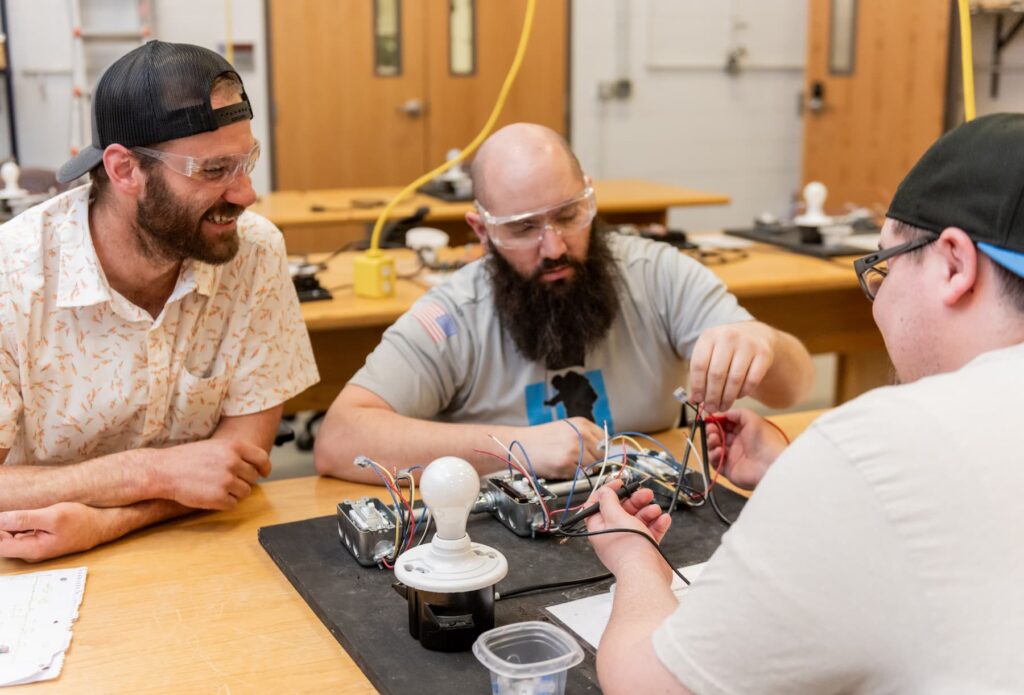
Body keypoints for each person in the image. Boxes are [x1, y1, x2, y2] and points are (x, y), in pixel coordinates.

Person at [587, 113, 1024, 693]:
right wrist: (804, 477)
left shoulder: (886, 443)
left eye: (884, 266)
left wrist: (637, 561)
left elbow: (651, 685)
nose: (878, 298)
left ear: (953, 264)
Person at [315, 123, 814, 483]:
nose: (553, 248)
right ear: (482, 232)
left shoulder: (658, 274)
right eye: (524, 228)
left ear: (589, 199)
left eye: (568, 216)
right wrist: (514, 450)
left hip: (651, 520)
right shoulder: (453, 314)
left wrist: (763, 342)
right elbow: (340, 440)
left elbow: (793, 388)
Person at [0, 41, 319, 562]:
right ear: (125, 170)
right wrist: (151, 472)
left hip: (201, 552)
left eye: (247, 162)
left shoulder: (255, 252)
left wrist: (107, 523)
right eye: (214, 171)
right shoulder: (13, 275)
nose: (246, 195)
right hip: (41, 570)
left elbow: (236, 467)